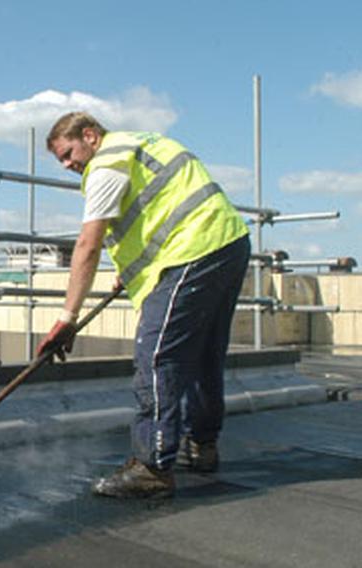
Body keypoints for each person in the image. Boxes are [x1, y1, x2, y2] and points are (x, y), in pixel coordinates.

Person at [37, 111, 250, 499]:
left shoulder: (105, 164)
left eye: (68, 154)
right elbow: (157, 210)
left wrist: (67, 318)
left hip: (192, 250)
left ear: (90, 135)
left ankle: (151, 467)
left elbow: (87, 245)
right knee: (204, 356)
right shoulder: (142, 143)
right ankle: (202, 447)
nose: (68, 165)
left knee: (155, 356)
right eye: (61, 161)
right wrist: (133, 270)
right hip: (228, 243)